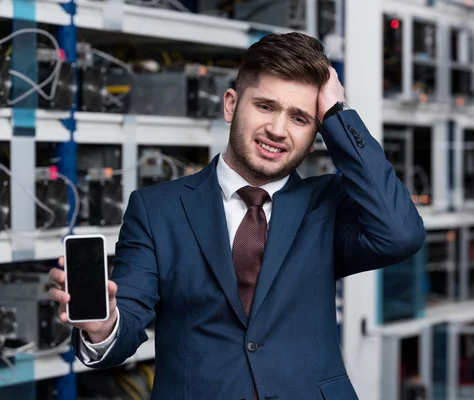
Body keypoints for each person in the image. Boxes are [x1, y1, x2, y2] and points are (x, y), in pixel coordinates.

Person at [48, 32, 426, 399]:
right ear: (231, 104)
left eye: (300, 118)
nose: (277, 130)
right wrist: (103, 327)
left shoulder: (327, 205)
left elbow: (400, 234)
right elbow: (126, 321)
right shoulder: (157, 209)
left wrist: (339, 114)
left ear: (317, 132)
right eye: (265, 106)